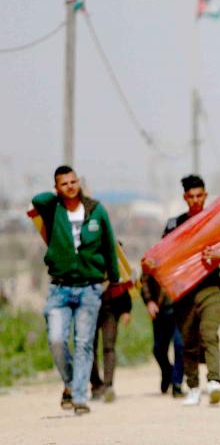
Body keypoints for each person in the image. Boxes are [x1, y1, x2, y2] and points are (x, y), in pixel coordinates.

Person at [32, 165, 120, 415]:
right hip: (59, 289)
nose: (70, 186)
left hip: (89, 289)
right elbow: (37, 200)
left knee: (83, 344)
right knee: (56, 339)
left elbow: (109, 246)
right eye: (64, 183)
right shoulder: (53, 208)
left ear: (79, 182)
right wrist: (55, 195)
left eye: (73, 182)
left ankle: (80, 396)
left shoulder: (96, 210)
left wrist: (113, 279)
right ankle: (71, 383)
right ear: (57, 187)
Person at [162, 174, 220, 406]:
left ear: (205, 196)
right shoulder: (174, 225)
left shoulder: (215, 222)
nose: (196, 200)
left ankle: (214, 381)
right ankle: (193, 387)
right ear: (185, 197)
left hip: (210, 288)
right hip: (184, 292)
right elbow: (163, 255)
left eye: (200, 195)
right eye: (192, 196)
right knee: (187, 342)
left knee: (209, 335)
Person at [140, 269, 185, 397]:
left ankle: (177, 383)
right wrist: (149, 301)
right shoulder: (156, 254)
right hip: (161, 308)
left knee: (179, 345)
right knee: (158, 349)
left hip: (180, 306)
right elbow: (144, 280)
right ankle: (168, 372)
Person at [89, 286, 132, 402]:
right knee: (88, 348)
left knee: (109, 346)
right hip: (88, 306)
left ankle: (108, 386)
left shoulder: (114, 267)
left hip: (111, 306)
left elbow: (121, 279)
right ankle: (96, 384)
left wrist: (126, 309)